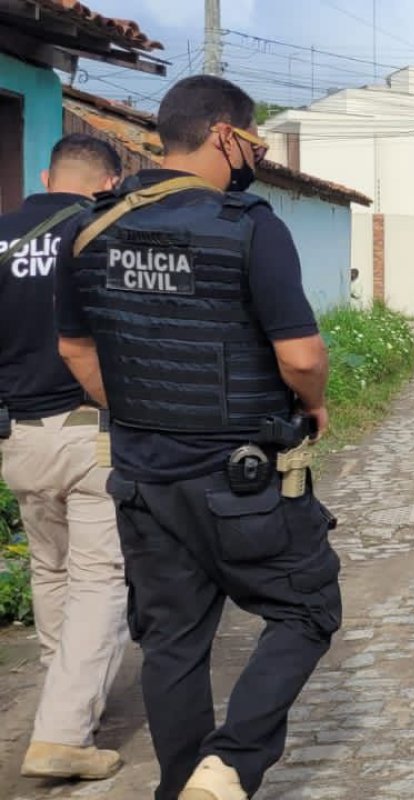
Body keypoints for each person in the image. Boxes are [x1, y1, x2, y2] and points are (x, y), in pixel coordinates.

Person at [54, 75, 341, 800]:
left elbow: (76, 352)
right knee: (306, 608)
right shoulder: (248, 225)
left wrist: (151, 413)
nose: (252, 154)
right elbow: (301, 355)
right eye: (251, 140)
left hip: (144, 478)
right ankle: (231, 764)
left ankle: (182, 783)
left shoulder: (90, 228)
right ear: (223, 134)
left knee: (173, 642)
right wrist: (315, 405)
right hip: (240, 478)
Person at [0, 135, 127, 781]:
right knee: (99, 580)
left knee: (49, 570)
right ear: (108, 183)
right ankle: (63, 730)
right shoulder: (101, 235)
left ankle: (65, 694)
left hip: (15, 435)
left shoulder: (1, 233)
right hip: (87, 426)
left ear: (47, 175)